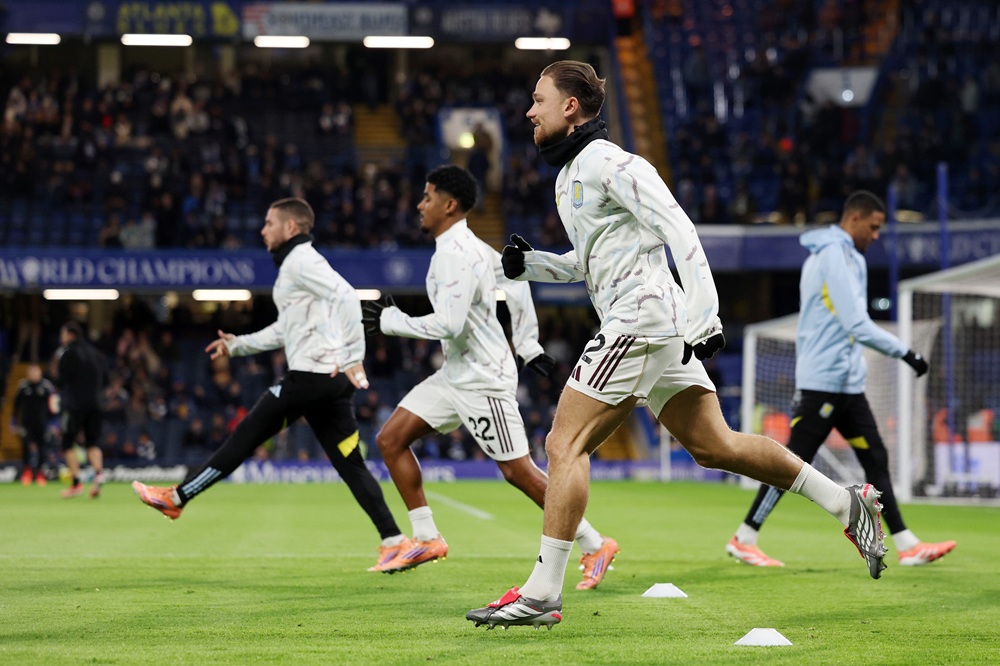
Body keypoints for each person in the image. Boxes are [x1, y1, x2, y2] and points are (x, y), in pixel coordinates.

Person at [466, 61, 887, 630]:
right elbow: (591, 265)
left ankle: (542, 593)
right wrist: (533, 265)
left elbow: (679, 228)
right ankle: (845, 501)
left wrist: (705, 314)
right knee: (716, 446)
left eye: (538, 99)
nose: (528, 110)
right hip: (649, 323)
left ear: (571, 107)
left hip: (641, 321)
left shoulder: (613, 163)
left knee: (564, 444)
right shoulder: (569, 176)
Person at [364, 165, 619, 587]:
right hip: (456, 373)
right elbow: (516, 281)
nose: (419, 204)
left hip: (484, 380)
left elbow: (448, 324)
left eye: (427, 197)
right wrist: (528, 344)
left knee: (518, 472)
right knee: (391, 440)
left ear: (448, 205)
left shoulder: (455, 255)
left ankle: (595, 544)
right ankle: (427, 538)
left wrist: (391, 321)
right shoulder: (477, 249)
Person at [132, 197, 408, 571]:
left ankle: (178, 498)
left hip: (313, 376)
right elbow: (286, 329)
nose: (262, 230)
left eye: (269, 223)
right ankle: (394, 541)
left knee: (244, 436)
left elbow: (346, 295)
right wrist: (239, 345)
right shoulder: (300, 265)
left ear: (290, 227)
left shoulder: (301, 262)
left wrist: (352, 356)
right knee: (350, 465)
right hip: (328, 382)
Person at [725, 190, 955, 568]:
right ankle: (745, 536)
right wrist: (907, 353)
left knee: (876, 457)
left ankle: (908, 544)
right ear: (854, 219)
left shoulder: (850, 258)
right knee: (794, 463)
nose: (877, 235)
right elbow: (855, 323)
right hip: (822, 383)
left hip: (847, 384)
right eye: (874, 227)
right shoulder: (833, 256)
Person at [55, 321, 108, 498]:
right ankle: (99, 474)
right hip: (96, 404)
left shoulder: (68, 353)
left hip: (75, 405)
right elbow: (106, 380)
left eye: (63, 334)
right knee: (93, 442)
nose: (61, 338)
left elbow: (61, 380)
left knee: (67, 443)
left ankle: (76, 483)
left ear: (70, 335)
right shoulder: (97, 353)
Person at [13, 363, 57, 486]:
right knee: (26, 447)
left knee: (42, 448)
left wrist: (54, 422)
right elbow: (16, 405)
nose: (33, 374)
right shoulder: (23, 386)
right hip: (26, 424)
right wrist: (14, 421)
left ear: (40, 373)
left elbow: (54, 405)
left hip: (42, 424)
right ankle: (27, 472)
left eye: (35, 372)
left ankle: (40, 474)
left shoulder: (46, 386)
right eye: (31, 372)